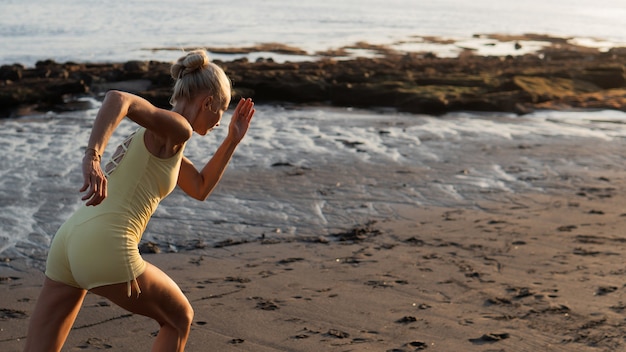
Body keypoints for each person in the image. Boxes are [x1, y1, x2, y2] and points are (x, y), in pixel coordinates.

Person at [23, 50, 255, 352]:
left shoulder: (162, 136)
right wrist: (92, 157)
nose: (218, 122)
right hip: (107, 244)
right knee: (179, 318)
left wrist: (232, 140)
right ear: (207, 102)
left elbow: (199, 187)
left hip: (69, 241)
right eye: (221, 110)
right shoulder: (178, 129)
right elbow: (118, 98)